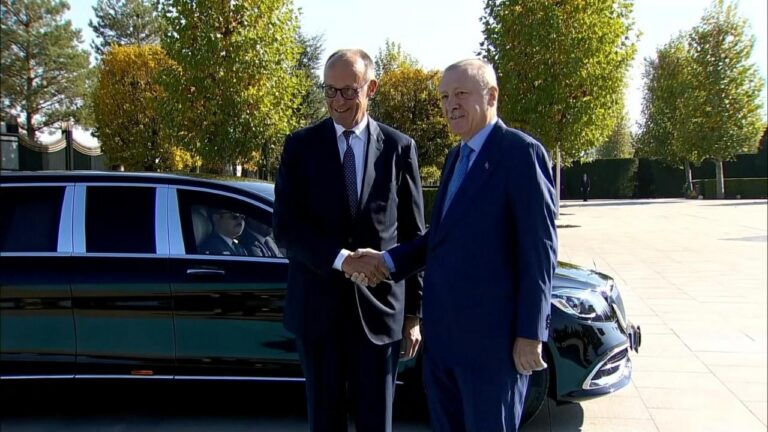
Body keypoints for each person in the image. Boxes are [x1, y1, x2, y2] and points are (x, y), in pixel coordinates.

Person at [350, 59, 558, 432]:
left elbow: (539, 252)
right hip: (444, 344)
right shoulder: (455, 157)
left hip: (493, 347)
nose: (451, 105)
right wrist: (387, 260)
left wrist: (531, 335)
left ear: (491, 96)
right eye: (445, 97)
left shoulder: (520, 153)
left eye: (461, 94)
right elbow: (442, 238)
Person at [272, 48, 426, 432]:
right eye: (329, 90)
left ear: (370, 88)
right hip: (317, 313)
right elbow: (286, 228)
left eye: (348, 91)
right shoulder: (300, 147)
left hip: (380, 315)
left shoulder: (399, 148)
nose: (337, 101)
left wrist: (413, 315)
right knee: (325, 422)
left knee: (377, 422)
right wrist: (342, 259)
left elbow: (414, 236)